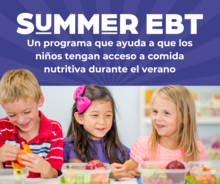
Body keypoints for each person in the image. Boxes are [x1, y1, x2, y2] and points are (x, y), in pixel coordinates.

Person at [128, 85, 205, 176]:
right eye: (155, 111)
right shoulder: (143, 145)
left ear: (185, 117)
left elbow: (199, 178)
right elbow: (127, 175)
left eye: (166, 113)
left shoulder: (196, 150)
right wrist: (133, 174)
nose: (158, 118)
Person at [0, 69, 63, 178]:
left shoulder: (54, 129)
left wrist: (45, 168)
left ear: (40, 100)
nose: (21, 120)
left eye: (27, 112)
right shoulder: (2, 128)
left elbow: (54, 175)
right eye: (12, 115)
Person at [64, 84, 130, 180]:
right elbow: (79, 172)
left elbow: (132, 171)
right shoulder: (68, 147)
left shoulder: (120, 150)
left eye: (108, 115)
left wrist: (132, 171)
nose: (102, 121)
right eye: (95, 115)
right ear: (80, 118)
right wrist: (107, 171)